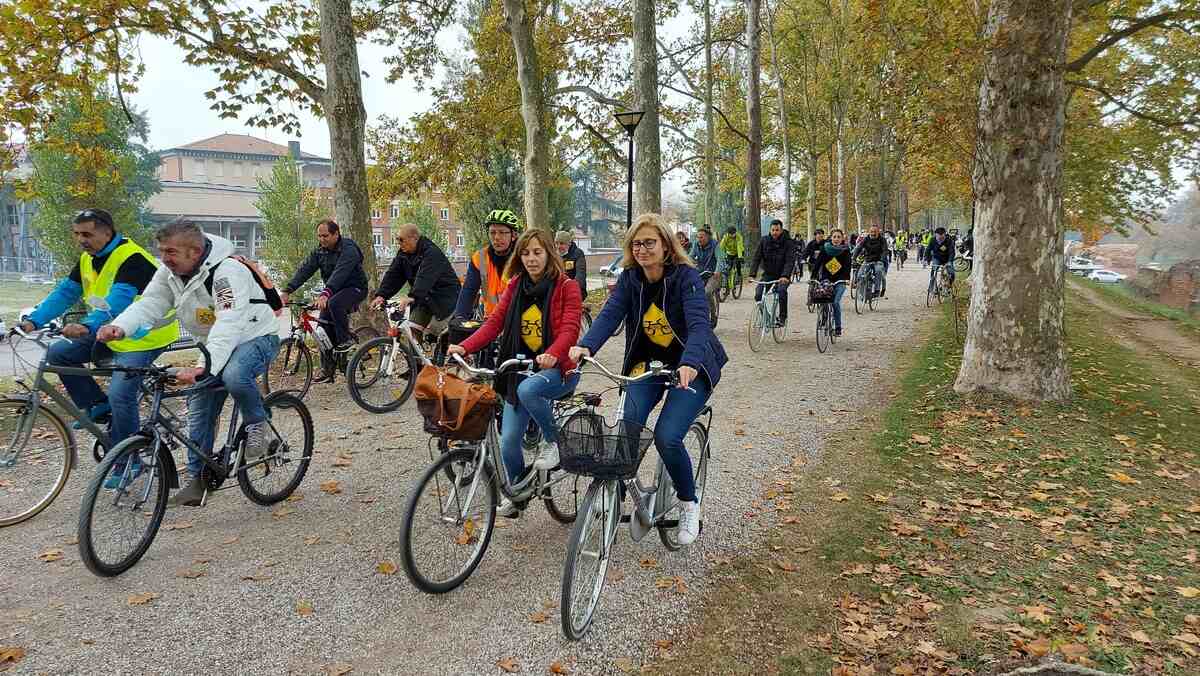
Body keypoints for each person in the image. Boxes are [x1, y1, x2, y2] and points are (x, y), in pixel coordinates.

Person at [570, 213, 728, 546]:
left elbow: (700, 326)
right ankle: (614, 491)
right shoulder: (631, 279)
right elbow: (611, 312)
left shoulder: (686, 277)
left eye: (649, 243)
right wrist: (586, 345)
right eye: (636, 243)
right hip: (648, 366)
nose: (642, 249)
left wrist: (690, 363)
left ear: (666, 245)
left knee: (667, 437)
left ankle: (688, 503)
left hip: (690, 367)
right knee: (627, 427)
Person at [99, 222, 280, 507]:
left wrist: (203, 368)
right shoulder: (170, 272)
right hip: (215, 342)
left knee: (233, 375)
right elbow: (151, 303)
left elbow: (229, 322)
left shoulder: (227, 271)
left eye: (171, 252)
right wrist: (120, 326)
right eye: (161, 252)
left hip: (255, 336)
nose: (164, 258)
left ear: (195, 251)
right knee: (200, 406)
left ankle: (258, 423)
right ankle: (198, 479)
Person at [21, 209, 181, 487]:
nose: (80, 240)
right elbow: (65, 293)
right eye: (77, 234)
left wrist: (88, 325)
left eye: (87, 234)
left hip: (142, 337)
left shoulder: (132, 258)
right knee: (59, 354)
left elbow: (119, 300)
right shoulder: (88, 259)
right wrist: (33, 321)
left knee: (121, 394)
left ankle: (129, 461)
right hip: (107, 332)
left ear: (107, 232)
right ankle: (97, 405)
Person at [448, 228, 582, 517]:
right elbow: (494, 323)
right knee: (509, 440)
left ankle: (554, 442)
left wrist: (553, 354)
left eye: (537, 252)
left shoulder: (566, 287)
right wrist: (464, 347)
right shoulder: (516, 286)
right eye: (525, 252)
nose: (531, 258)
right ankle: (520, 492)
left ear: (549, 254)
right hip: (518, 368)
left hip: (558, 370)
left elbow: (571, 328)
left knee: (529, 390)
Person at [281, 220, 368, 380]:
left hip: (354, 288)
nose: (322, 239)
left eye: (325, 236)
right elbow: (304, 270)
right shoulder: (320, 252)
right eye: (319, 236)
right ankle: (327, 369)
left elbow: (341, 273)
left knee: (334, 304)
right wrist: (288, 290)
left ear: (336, 234)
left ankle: (345, 341)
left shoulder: (349, 249)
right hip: (333, 291)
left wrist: (325, 293)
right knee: (322, 330)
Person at [370, 223, 462, 338]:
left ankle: (444, 353)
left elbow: (425, 277)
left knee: (440, 337)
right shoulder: (403, 253)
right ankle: (414, 356)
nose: (399, 243)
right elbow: (393, 274)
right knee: (411, 331)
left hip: (445, 300)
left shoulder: (431, 253)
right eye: (397, 239)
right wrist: (381, 295)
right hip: (424, 300)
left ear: (414, 238)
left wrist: (412, 296)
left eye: (401, 239)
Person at [455, 209, 521, 319]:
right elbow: (469, 291)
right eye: (492, 232)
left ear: (513, 235)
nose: (496, 237)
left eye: (502, 232)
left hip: (517, 320)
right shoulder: (480, 258)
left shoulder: (523, 257)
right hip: (491, 319)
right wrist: (459, 317)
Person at [749, 219, 795, 327]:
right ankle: (767, 317)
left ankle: (782, 317)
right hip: (768, 274)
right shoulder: (764, 241)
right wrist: (752, 274)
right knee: (758, 295)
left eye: (777, 230)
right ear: (770, 230)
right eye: (773, 230)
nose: (775, 232)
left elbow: (790, 261)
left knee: (782, 291)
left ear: (781, 230)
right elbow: (757, 258)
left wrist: (785, 276)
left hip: (783, 275)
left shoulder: (788, 242)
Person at [815, 228, 852, 336]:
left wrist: (846, 279)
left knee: (835, 302)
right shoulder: (825, 249)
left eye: (838, 237)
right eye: (834, 237)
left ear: (842, 239)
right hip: (826, 279)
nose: (836, 239)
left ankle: (838, 327)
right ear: (831, 238)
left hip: (840, 281)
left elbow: (847, 266)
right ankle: (823, 317)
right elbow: (818, 264)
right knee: (822, 299)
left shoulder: (845, 250)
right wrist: (814, 277)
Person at [689, 226, 721, 317]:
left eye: (701, 237)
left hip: (713, 274)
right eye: (698, 237)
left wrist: (717, 271)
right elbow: (690, 256)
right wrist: (688, 263)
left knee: (707, 292)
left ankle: (713, 315)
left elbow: (720, 259)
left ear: (708, 237)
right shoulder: (696, 244)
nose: (699, 239)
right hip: (700, 272)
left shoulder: (716, 245)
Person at [853, 224, 889, 298]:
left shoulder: (882, 240)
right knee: (860, 275)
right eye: (871, 232)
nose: (873, 233)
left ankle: (877, 290)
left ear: (878, 232)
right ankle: (862, 294)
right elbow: (858, 248)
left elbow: (885, 250)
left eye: (875, 232)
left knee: (878, 271)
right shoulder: (866, 239)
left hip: (878, 261)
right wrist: (854, 258)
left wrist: (882, 259)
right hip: (867, 260)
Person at [555, 229, 588, 301]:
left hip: (576, 289)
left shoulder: (578, 253)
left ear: (569, 243)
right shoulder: (554, 255)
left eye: (562, 243)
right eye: (556, 243)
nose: (558, 246)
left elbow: (580, 274)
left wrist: (572, 290)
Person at [925, 226, 957, 291]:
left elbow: (952, 252)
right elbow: (928, 250)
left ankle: (949, 286)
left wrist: (950, 261)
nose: (940, 239)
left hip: (947, 259)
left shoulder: (949, 240)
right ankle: (932, 287)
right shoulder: (932, 240)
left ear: (944, 235)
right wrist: (927, 260)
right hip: (937, 258)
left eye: (942, 238)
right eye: (938, 238)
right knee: (934, 271)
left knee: (952, 273)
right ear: (935, 235)